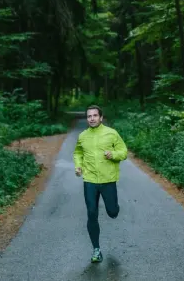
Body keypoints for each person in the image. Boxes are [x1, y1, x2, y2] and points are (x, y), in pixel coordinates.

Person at [72, 105, 128, 263]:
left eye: (95, 115)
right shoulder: (83, 136)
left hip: (108, 180)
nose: (92, 118)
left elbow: (124, 152)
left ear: (101, 118)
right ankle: (96, 249)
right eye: (89, 116)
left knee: (112, 212)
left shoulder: (111, 133)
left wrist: (113, 154)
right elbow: (78, 152)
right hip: (89, 180)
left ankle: (115, 208)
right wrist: (78, 165)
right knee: (91, 213)